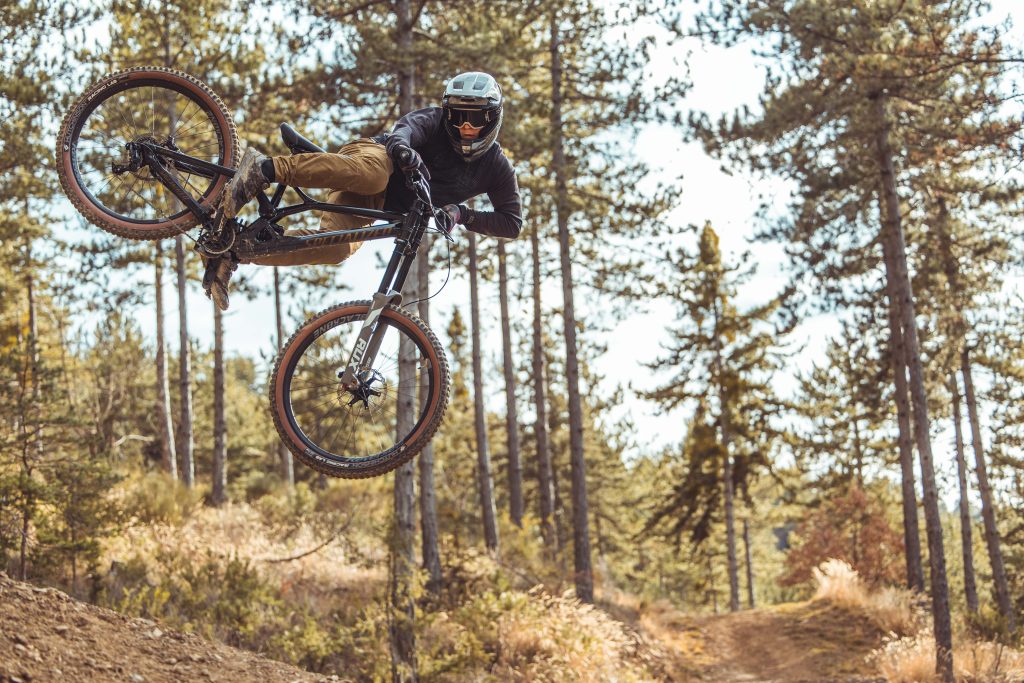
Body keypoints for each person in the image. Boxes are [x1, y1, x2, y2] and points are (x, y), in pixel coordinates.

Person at [203, 71, 523, 310]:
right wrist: (403, 151)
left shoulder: (496, 166)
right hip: (374, 157)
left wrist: (463, 214)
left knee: (337, 249)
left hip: (373, 207)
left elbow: (512, 223)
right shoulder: (435, 120)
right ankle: (265, 169)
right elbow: (406, 130)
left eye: (476, 119)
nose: (466, 127)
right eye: (459, 117)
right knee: (375, 176)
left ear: (492, 118)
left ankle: (237, 250)